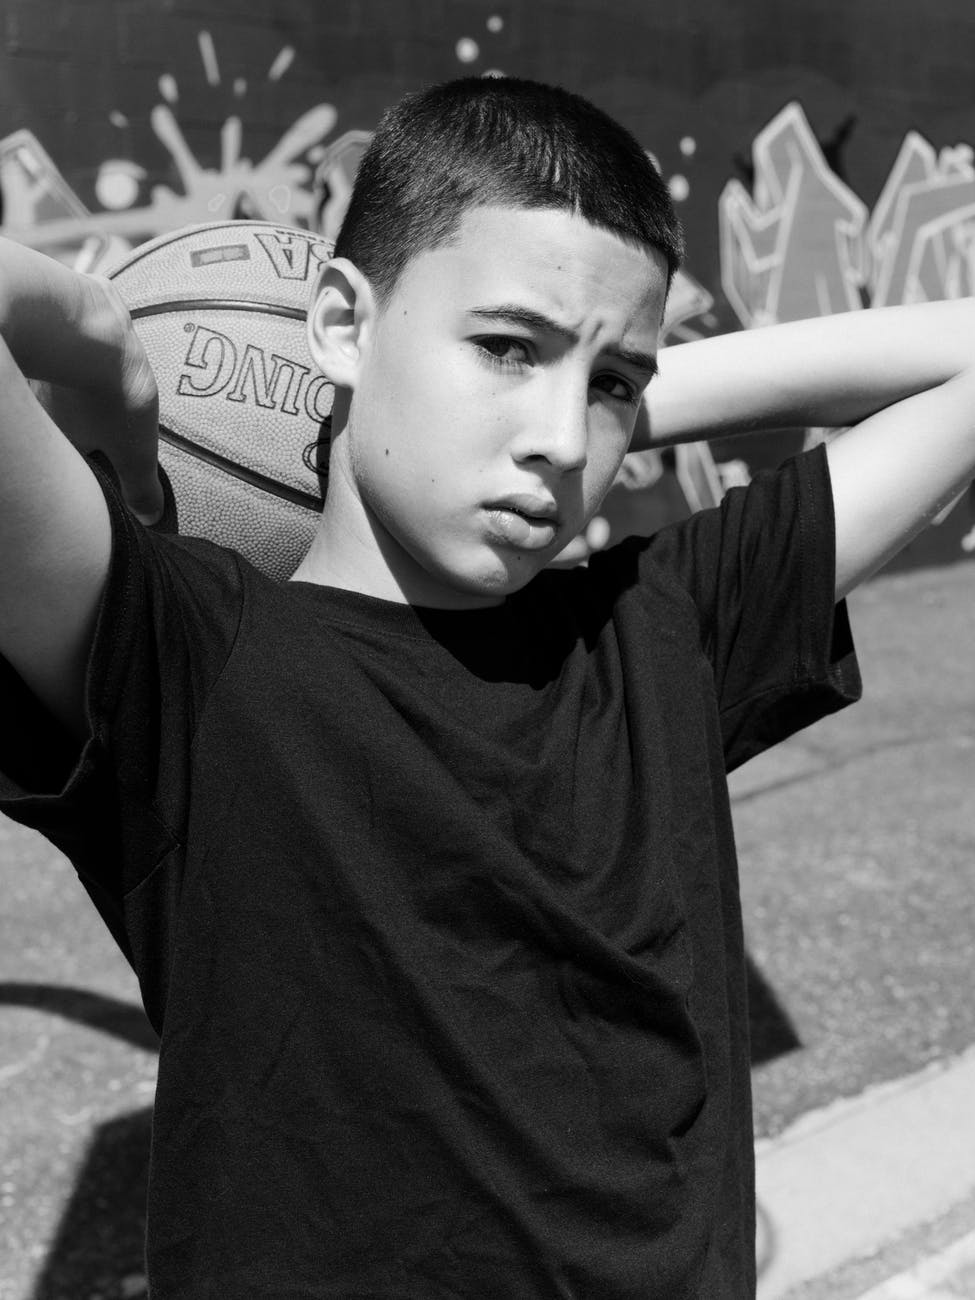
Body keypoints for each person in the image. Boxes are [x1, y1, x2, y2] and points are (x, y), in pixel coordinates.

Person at [0, 75, 973, 1299]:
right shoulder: (190, 669)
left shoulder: (660, 624)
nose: (563, 443)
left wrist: (604, 372)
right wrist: (99, 327)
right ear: (342, 324)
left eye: (611, 386)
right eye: (504, 345)